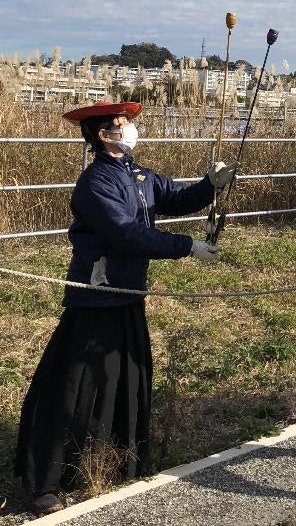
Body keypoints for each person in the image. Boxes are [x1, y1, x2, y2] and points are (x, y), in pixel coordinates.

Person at [15, 100, 234, 516]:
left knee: (124, 382)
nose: (130, 129)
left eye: (129, 122)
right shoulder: (95, 183)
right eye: (121, 124)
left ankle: (116, 462)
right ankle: (50, 478)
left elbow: (175, 198)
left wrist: (210, 184)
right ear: (103, 135)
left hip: (129, 297)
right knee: (76, 388)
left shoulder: (138, 174)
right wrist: (186, 246)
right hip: (96, 301)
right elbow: (127, 234)